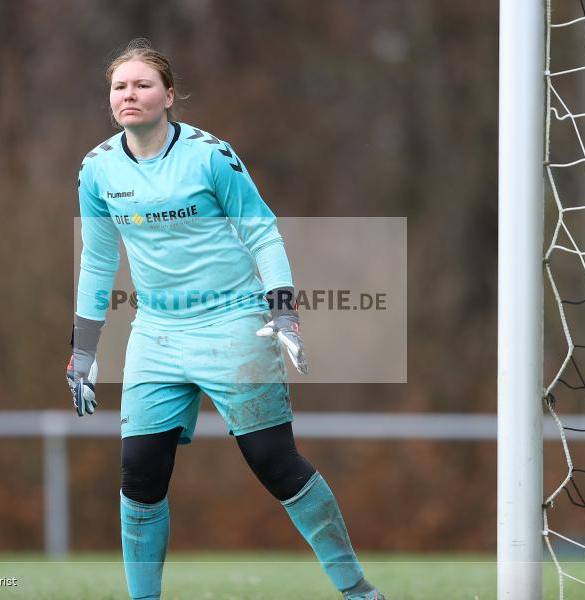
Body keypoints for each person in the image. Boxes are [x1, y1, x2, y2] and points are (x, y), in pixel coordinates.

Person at [67, 38, 385, 600]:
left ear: (168, 95)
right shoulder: (96, 170)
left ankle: (359, 592)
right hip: (157, 331)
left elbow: (262, 230)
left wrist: (283, 311)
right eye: (120, 86)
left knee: (274, 462)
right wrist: (84, 348)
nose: (129, 94)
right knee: (139, 473)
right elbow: (97, 259)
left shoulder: (210, 155)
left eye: (143, 84)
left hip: (233, 321)